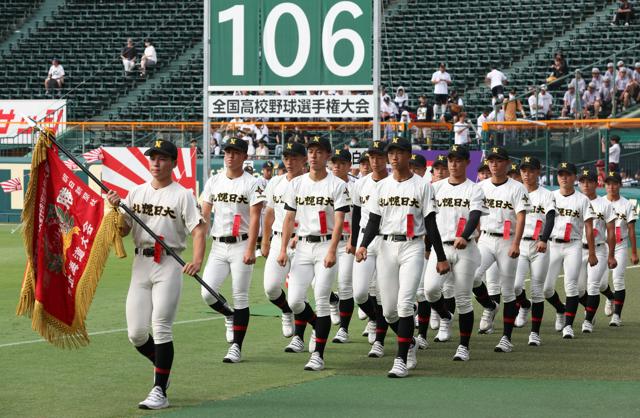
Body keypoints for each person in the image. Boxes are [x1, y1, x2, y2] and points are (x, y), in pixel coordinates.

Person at [106, 140, 206, 410]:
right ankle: (162, 369)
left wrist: (196, 260)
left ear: (173, 163)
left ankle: (159, 390)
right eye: (153, 157)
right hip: (141, 264)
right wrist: (116, 208)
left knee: (161, 325)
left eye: (162, 158)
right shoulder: (136, 193)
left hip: (169, 262)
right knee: (137, 333)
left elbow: (198, 229)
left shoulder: (182, 194)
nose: (156, 162)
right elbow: (124, 231)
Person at [356, 137, 450, 378]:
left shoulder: (422, 185)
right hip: (386, 245)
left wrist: (440, 256)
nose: (394, 157)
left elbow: (430, 223)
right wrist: (363, 245)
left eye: (399, 152)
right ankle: (408, 342)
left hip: (413, 246)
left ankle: (400, 359)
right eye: (391, 152)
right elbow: (373, 220)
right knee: (388, 312)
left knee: (405, 303)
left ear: (409, 155)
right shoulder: (381, 186)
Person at [277, 136, 350, 371]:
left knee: (321, 296)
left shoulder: (337, 185)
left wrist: (332, 250)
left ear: (327, 155)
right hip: (303, 246)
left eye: (319, 152)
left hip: (326, 245)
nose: (314, 156)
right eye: (311, 151)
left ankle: (318, 354)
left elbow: (339, 221)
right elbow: (289, 218)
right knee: (295, 300)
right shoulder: (296, 184)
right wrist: (283, 248)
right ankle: (317, 328)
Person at [200, 137, 266, 363]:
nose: (230, 155)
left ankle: (236, 346)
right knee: (207, 292)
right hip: (218, 245)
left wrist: (252, 248)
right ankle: (228, 314)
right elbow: (205, 215)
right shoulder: (213, 181)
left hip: (241, 244)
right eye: (228, 151)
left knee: (240, 296)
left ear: (245, 157)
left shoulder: (253, 182)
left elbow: (256, 217)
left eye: (236, 152)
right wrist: (198, 243)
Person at [424, 145, 487, 361]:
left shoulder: (474, 188)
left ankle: (464, 346)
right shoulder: (436, 187)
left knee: (462, 299)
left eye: (458, 160)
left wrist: (466, 234)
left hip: (465, 248)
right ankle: (445, 315)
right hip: (440, 246)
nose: (453, 164)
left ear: (467, 163)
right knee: (430, 290)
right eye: (450, 160)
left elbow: (475, 214)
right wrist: (428, 246)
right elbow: (428, 219)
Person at [471, 146, 530, 352]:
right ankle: (489, 306)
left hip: (507, 240)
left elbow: (521, 216)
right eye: (491, 161)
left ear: (507, 163)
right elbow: (475, 213)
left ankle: (506, 337)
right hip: (486, 238)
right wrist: (475, 236)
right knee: (473, 277)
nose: (494, 164)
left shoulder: (517, 187)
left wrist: (516, 243)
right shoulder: (481, 186)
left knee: (508, 290)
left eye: (498, 160)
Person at [542, 162, 597, 339]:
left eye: (568, 174)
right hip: (553, 244)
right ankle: (560, 309)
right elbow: (541, 220)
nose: (564, 177)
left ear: (574, 178)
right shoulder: (550, 196)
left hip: (573, 245)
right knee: (546, 289)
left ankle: (568, 326)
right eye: (561, 174)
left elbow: (589, 227)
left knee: (571, 285)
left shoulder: (582, 200)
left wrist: (593, 252)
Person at [261, 142, 307, 341]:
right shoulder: (275, 182)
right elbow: (269, 212)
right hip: (279, 239)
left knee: (300, 293)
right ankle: (285, 310)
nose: (289, 162)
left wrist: (300, 234)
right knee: (271, 288)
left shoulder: (309, 182)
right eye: (287, 158)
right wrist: (264, 240)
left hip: (304, 240)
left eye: (294, 157)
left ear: (304, 160)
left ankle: (299, 337)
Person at [350, 141, 389, 358]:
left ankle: (380, 341)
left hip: (386, 238)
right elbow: (356, 215)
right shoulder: (361, 183)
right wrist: (356, 243)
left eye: (379, 156)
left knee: (383, 294)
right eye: (371, 157)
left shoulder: (394, 182)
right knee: (360, 292)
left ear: (386, 158)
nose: (375, 161)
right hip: (366, 239)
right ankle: (374, 319)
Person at [513, 157, 556, 346]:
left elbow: (551, 218)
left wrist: (544, 239)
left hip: (539, 245)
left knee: (537, 290)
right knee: (515, 286)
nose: (526, 174)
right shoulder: (514, 191)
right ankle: (524, 305)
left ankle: (535, 333)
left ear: (538, 172)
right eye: (523, 170)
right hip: (520, 244)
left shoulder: (546, 194)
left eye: (531, 170)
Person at [576, 169, 617, 333]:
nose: (586, 184)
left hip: (599, 249)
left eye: (589, 181)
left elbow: (611, 231)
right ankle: (593, 307)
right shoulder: (574, 201)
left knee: (593, 286)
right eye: (582, 181)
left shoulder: (605, 204)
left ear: (596, 183)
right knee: (578, 289)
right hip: (577, 249)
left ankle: (588, 320)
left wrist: (612, 255)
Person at [603, 171, 639, 326]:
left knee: (618, 280)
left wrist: (634, 252)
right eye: (608, 183)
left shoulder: (627, 204)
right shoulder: (600, 202)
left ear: (620, 185)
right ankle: (610, 297)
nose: (611, 187)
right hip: (602, 246)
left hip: (620, 245)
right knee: (600, 283)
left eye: (614, 183)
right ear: (604, 186)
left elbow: (631, 229)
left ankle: (616, 316)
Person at [329, 148, 357, 343]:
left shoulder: (356, 186)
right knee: (316, 283)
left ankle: (344, 329)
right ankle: (333, 301)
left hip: (349, 239)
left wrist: (353, 239)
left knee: (346, 283)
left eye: (341, 163)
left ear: (349, 166)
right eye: (334, 162)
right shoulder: (325, 184)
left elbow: (360, 215)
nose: (337, 166)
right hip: (327, 240)